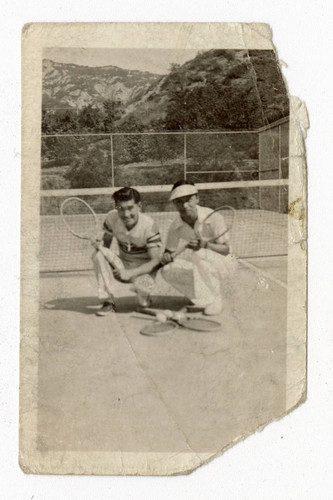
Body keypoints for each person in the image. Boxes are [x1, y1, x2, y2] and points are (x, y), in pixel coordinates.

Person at [160, 180, 237, 315]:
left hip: (226, 264)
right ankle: (200, 296)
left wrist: (205, 245)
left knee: (198, 254)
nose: (184, 205)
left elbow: (227, 251)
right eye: (179, 201)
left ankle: (215, 299)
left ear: (197, 199)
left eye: (188, 199)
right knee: (167, 270)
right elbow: (169, 253)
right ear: (174, 204)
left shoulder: (214, 217)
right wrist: (166, 257)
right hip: (202, 264)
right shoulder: (175, 227)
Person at [91, 187, 162, 316]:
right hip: (122, 265)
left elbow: (155, 261)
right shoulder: (112, 218)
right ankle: (108, 302)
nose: (125, 214)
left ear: (139, 206)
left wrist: (130, 273)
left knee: (144, 304)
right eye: (121, 209)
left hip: (144, 272)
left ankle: (143, 294)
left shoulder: (149, 225)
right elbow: (105, 246)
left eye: (130, 208)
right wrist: (99, 245)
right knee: (98, 255)